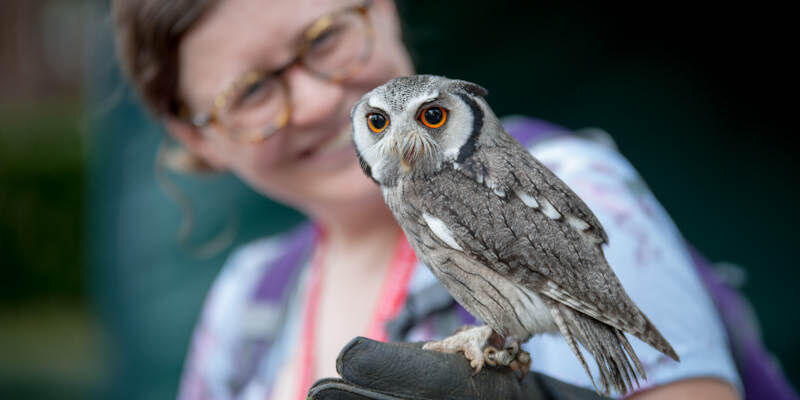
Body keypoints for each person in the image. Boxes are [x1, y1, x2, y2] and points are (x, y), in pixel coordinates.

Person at [110, 0, 759, 398]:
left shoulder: (566, 178)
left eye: (324, 39)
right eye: (251, 93)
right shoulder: (247, 302)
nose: (316, 102)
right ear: (197, 135)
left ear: (382, 8)